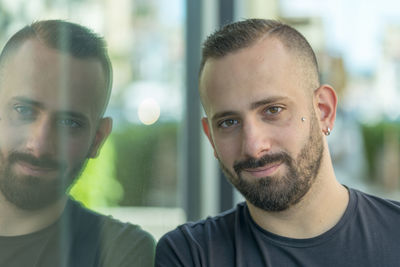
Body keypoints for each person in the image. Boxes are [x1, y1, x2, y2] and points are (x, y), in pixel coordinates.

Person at [155, 19, 400, 266]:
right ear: (210, 137)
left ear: (323, 110)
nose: (253, 146)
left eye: (273, 110)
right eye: (228, 123)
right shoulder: (190, 254)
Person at [0, 20, 154, 266]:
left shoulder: (117, 252)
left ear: (97, 139)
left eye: (69, 123)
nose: (39, 145)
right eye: (23, 110)